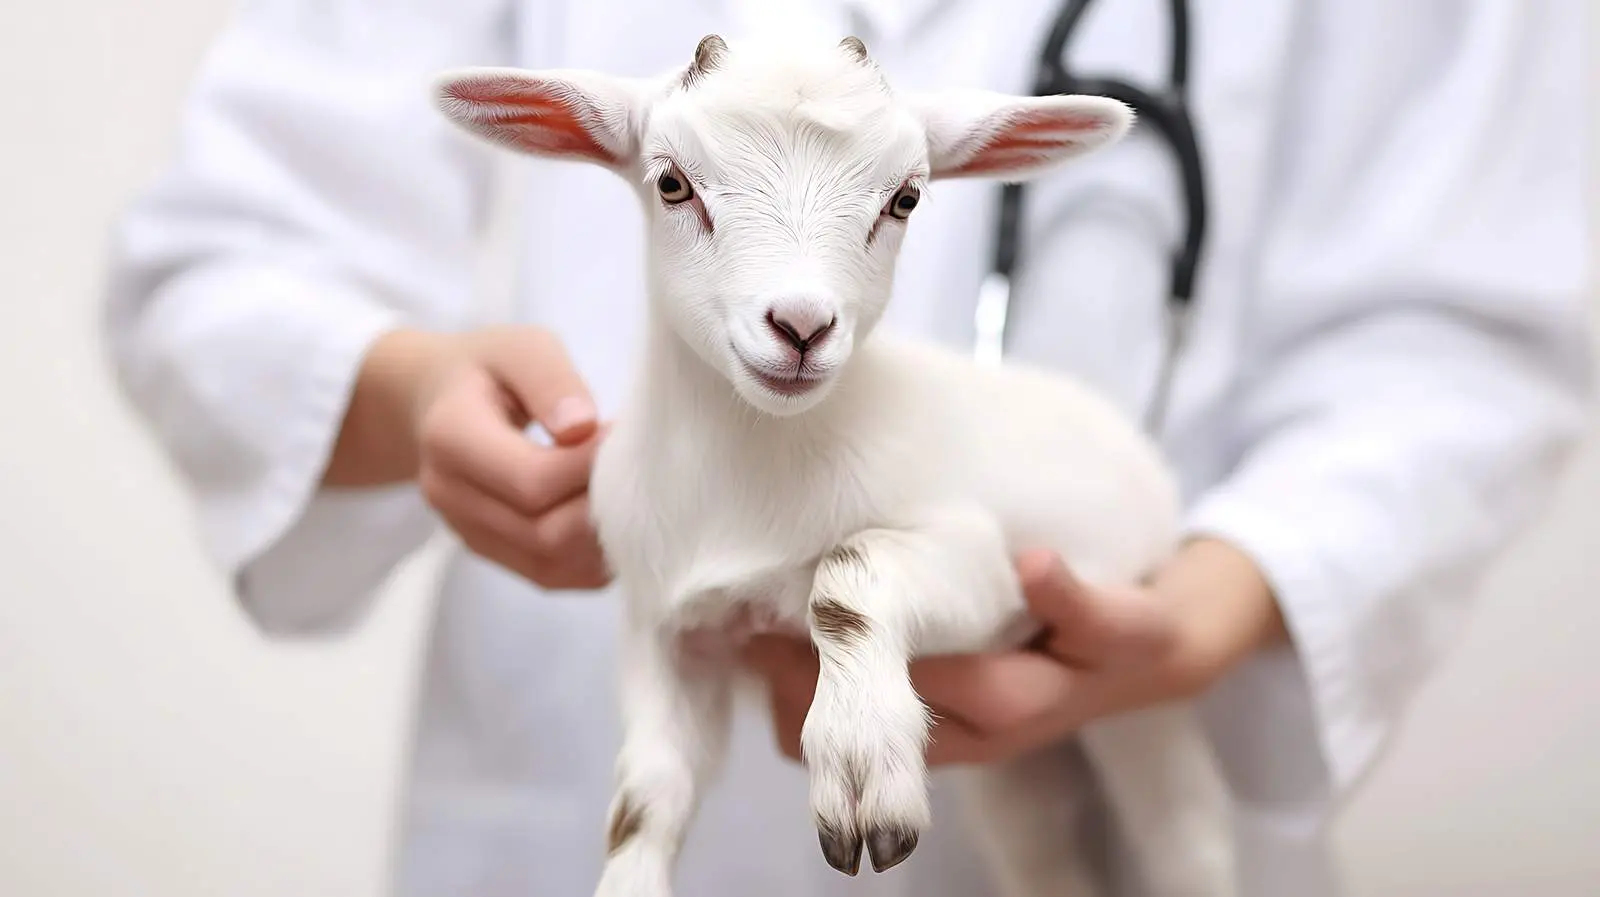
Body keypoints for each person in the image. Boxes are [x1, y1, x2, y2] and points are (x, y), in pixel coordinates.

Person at [100, 1, 1592, 895]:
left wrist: (1213, 605)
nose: (805, 309)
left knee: (1129, 823)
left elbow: (1465, 324)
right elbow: (226, 255)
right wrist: (417, 389)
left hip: (1104, 591)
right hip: (545, 774)